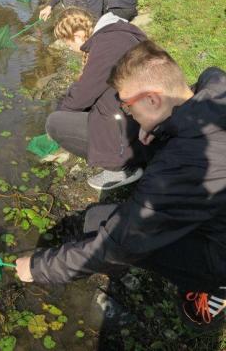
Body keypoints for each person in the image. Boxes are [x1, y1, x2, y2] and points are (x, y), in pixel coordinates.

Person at [17, 40, 226, 329]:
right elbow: (210, 73)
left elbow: (121, 243)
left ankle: (214, 291)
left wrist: (39, 267)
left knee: (97, 222)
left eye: (128, 107)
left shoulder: (181, 164)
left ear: (153, 99)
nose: (129, 115)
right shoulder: (215, 93)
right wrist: (161, 125)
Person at [46, 7, 146, 190]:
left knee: (55, 123)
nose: (71, 49)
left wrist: (61, 113)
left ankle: (121, 167)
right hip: (139, 118)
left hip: (133, 131)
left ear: (78, 35)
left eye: (68, 44)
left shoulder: (108, 46)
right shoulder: (115, 33)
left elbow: (81, 95)